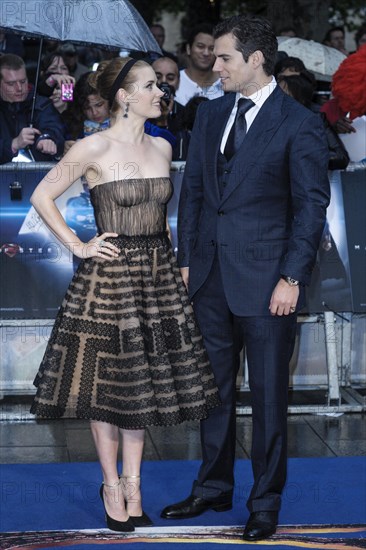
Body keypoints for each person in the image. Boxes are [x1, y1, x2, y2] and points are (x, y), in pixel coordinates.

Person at [29, 56, 220, 532]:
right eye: (151, 86)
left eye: (160, 85)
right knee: (106, 389)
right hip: (109, 280)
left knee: (141, 386)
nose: (161, 92)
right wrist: (79, 245)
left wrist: (175, 262)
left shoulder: (161, 147)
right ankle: (110, 484)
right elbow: (41, 196)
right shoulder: (93, 146)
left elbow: (162, 217)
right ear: (124, 96)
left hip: (155, 278)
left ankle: (134, 484)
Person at [161, 15, 330, 541]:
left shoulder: (299, 122)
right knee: (210, 392)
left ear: (256, 59)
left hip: (267, 282)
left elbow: (310, 208)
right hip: (208, 276)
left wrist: (292, 277)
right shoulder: (209, 115)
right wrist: (187, 257)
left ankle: (265, 500)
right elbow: (192, 194)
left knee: (269, 398)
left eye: (226, 57)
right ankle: (212, 488)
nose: (215, 64)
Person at [0, 54, 65, 163]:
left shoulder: (42, 104)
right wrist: (13, 144)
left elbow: (54, 127)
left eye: (23, 81)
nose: (19, 88)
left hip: (38, 176)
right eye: (11, 84)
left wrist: (47, 139)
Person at [175, 24, 224, 106]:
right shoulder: (175, 80)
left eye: (212, 48)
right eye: (200, 46)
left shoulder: (225, 82)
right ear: (188, 49)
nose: (206, 53)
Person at [151, 56, 185, 135]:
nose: (163, 82)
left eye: (170, 78)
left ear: (178, 82)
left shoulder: (185, 114)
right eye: (157, 77)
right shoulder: (139, 110)